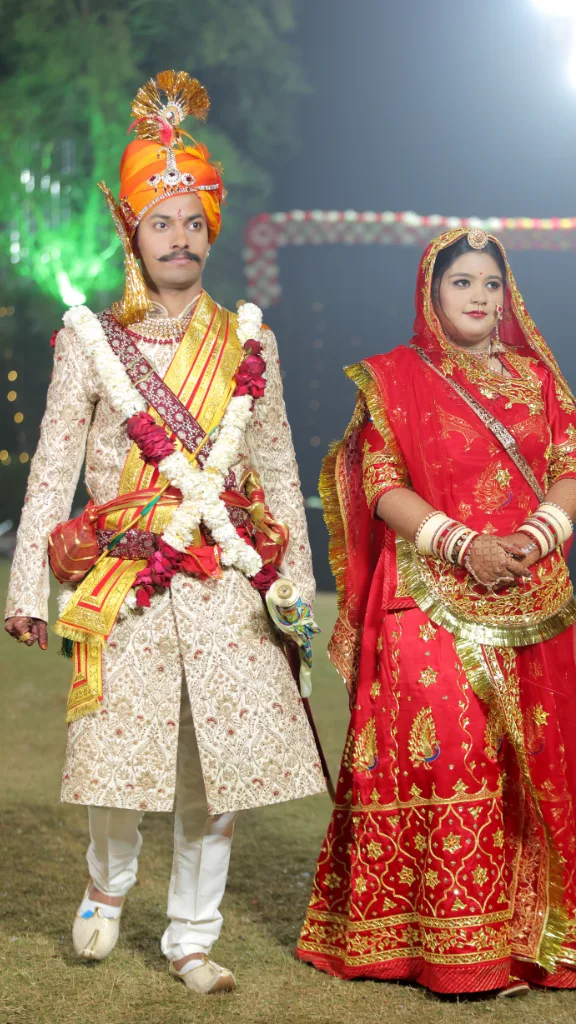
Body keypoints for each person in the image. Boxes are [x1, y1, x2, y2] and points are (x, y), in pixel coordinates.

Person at [5, 70, 325, 996]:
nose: (178, 238)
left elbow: (278, 469)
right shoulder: (89, 340)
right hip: (125, 581)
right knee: (115, 763)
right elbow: (51, 468)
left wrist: (294, 588)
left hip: (226, 580)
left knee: (214, 775)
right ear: (133, 234)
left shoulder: (250, 342)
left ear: (210, 232)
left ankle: (192, 935)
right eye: (160, 223)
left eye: (193, 222)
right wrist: (29, 590)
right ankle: (107, 885)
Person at [296, 227, 576, 997]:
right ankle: (449, 950)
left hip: (531, 588)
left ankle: (526, 945)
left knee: (533, 762)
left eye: (491, 282)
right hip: (428, 593)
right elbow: (381, 484)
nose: (479, 295)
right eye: (462, 282)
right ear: (431, 292)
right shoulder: (396, 378)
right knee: (454, 755)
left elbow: (569, 466)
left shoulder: (539, 379)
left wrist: (531, 538)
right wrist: (464, 546)